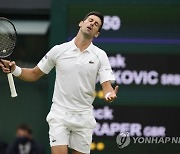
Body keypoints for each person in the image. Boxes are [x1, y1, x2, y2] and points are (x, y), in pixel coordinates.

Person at [0, 11, 118, 154]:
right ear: (81, 23)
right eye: (90, 20)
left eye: (96, 24)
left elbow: (107, 86)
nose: (92, 24)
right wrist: (14, 69)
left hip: (84, 117)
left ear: (97, 33)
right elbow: (34, 74)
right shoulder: (59, 50)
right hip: (60, 114)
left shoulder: (100, 56)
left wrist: (109, 94)